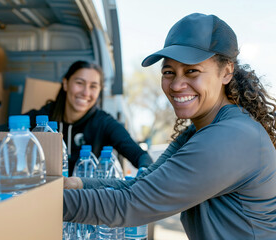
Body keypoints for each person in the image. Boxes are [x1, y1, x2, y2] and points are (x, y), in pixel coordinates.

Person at [62, 13, 276, 239]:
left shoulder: (233, 136)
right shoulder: (198, 132)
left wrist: (39, 203)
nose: (176, 84)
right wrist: (78, 183)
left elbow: (131, 205)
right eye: (168, 72)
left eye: (192, 71)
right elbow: (140, 185)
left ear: (226, 72)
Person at [24, 60, 153, 174]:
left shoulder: (104, 123)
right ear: (65, 83)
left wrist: (145, 170)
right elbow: (8, 131)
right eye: (80, 83)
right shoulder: (43, 118)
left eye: (93, 86)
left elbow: (139, 155)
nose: (86, 93)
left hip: (86, 198)